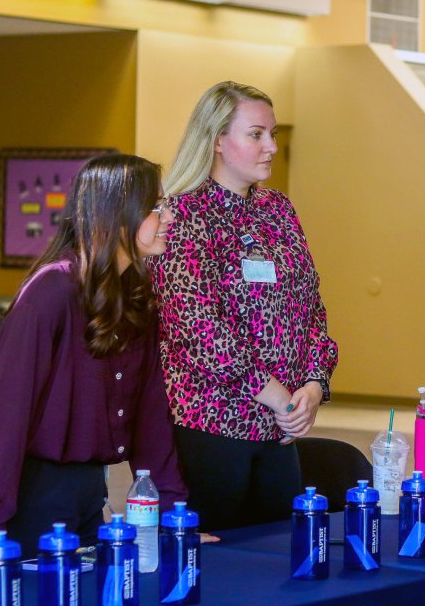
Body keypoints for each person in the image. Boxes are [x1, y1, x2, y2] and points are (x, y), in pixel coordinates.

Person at [0, 154, 187, 572]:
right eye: (157, 206)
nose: (169, 216)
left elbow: (151, 415)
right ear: (117, 214)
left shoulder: (136, 294)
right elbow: (5, 420)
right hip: (34, 501)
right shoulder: (51, 293)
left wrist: (174, 515)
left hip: (89, 494)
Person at [148, 81, 338, 532]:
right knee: (213, 573)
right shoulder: (182, 216)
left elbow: (311, 307)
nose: (271, 146)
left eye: (273, 135)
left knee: (280, 560)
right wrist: (273, 393)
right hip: (210, 426)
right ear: (216, 139)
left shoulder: (279, 210)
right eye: (256, 134)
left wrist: (313, 385)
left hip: (280, 427)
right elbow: (195, 325)